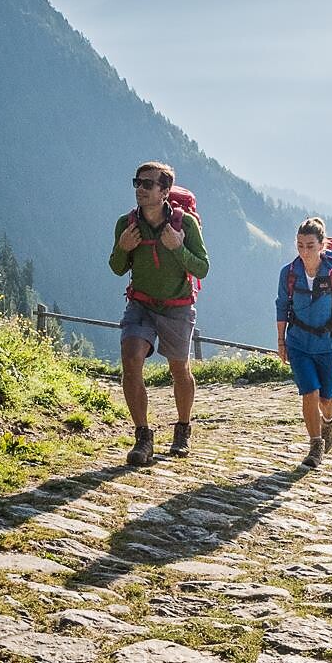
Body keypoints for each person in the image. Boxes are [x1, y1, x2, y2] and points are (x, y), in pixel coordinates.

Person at [109, 161, 210, 465]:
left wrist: (178, 248)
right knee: (131, 360)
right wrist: (123, 247)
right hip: (140, 304)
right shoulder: (125, 224)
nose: (140, 188)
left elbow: (202, 268)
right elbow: (116, 268)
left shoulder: (185, 224)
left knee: (179, 370)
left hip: (177, 309)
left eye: (148, 184)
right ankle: (143, 437)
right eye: (137, 182)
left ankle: (182, 429)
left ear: (165, 191)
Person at [276, 217, 332, 469]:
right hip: (298, 343)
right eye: (300, 245)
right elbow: (282, 306)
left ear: (322, 245)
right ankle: (315, 445)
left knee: (326, 399)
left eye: (310, 245)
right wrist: (281, 341)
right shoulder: (288, 274)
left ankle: (328, 421)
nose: (304, 251)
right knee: (309, 392)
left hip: (327, 345)